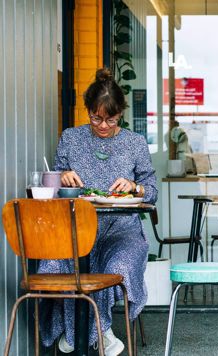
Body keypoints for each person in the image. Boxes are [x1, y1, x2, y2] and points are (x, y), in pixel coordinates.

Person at [38, 68, 158, 355]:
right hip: (76, 228)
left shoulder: (135, 142)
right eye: (96, 118)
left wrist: (135, 187)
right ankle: (101, 331)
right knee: (59, 265)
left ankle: (77, 332)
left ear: (121, 114)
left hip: (122, 230)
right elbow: (53, 183)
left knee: (117, 266)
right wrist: (63, 175)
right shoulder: (70, 138)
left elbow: (151, 188)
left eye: (111, 120)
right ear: (87, 110)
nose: (103, 126)